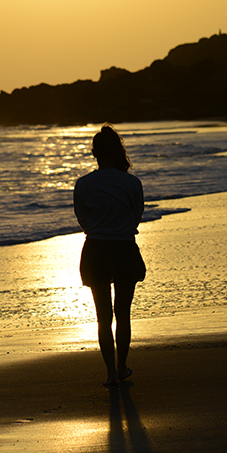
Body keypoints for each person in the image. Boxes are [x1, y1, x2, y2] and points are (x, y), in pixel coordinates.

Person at [73, 124, 146, 388]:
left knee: (103, 316)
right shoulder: (132, 183)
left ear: (95, 153)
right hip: (125, 247)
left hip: (96, 248)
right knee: (123, 313)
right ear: (118, 151)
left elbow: (82, 219)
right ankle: (122, 366)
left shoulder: (83, 184)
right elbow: (137, 216)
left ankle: (110, 374)